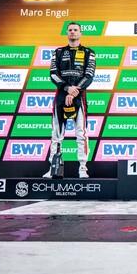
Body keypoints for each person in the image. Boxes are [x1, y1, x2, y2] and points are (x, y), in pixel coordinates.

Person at [43, 22, 96, 178]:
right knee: (56, 134)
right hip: (61, 96)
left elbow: (89, 75)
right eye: (70, 30)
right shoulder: (58, 52)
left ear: (80, 33)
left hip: (79, 96)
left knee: (81, 133)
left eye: (76, 30)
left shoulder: (89, 52)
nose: (73, 32)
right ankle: (53, 168)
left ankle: (83, 168)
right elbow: (53, 74)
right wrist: (67, 89)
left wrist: (74, 92)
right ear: (67, 33)